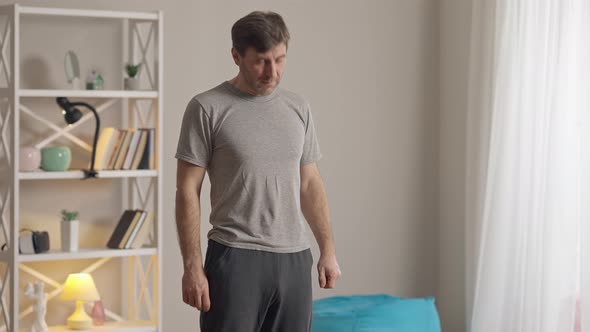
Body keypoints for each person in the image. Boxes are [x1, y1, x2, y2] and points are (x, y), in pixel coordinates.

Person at [175, 10, 341, 332]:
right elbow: (186, 191)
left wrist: (328, 250)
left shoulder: (298, 108)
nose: (273, 72)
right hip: (235, 257)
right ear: (236, 56)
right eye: (261, 61)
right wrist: (192, 267)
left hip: (294, 257)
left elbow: (309, 184)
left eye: (280, 60)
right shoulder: (207, 107)